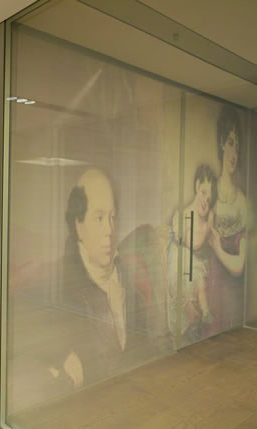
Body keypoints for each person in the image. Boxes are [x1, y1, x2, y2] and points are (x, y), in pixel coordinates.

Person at [52, 169, 158, 391]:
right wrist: (60, 357)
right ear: (79, 226)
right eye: (99, 218)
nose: (110, 229)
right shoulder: (59, 287)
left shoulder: (128, 283)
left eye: (112, 217)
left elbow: (146, 352)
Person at [208, 106, 249, 334]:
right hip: (212, 283)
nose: (235, 153)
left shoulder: (242, 201)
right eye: (231, 142)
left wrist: (218, 249)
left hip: (232, 291)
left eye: (238, 146)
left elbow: (239, 266)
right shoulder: (210, 191)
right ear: (222, 143)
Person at [167, 164, 217, 343]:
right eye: (203, 193)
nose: (205, 201)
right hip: (181, 257)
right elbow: (187, 242)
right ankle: (191, 321)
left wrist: (210, 224)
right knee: (183, 286)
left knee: (201, 283)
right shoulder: (185, 214)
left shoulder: (206, 219)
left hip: (195, 261)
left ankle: (205, 312)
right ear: (197, 187)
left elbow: (208, 242)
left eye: (209, 199)